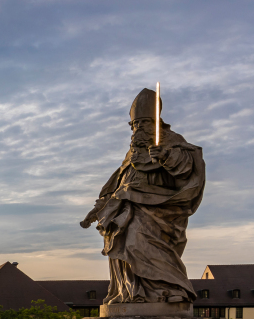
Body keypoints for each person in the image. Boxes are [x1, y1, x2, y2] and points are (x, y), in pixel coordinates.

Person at [81, 89, 204, 304]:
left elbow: (186, 166)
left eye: (143, 124)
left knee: (139, 243)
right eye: (134, 125)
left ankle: (168, 289)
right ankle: (130, 292)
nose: (137, 129)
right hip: (127, 208)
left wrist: (165, 156)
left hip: (158, 208)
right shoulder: (132, 153)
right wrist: (99, 209)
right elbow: (119, 182)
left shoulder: (172, 142)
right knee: (123, 247)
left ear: (156, 123)